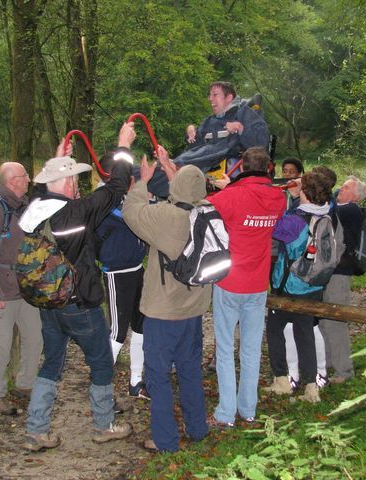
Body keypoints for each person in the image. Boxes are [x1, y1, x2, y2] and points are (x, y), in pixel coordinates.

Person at [21, 125, 135, 452]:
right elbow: (115, 188)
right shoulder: (76, 212)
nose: (77, 184)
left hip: (47, 302)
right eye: (74, 178)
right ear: (69, 183)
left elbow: (44, 189)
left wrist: (58, 159)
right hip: (79, 303)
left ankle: (36, 430)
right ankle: (104, 425)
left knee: (51, 363)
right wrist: (123, 146)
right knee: (100, 362)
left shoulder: (34, 208)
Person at [123, 148, 212, 452]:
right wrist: (173, 171)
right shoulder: (208, 213)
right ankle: (197, 429)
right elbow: (187, 193)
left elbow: (132, 213)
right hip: (194, 310)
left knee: (158, 378)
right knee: (190, 371)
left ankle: (165, 441)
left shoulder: (165, 217)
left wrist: (142, 182)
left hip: (163, 314)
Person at [207, 146, 286, 427]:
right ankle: (248, 410)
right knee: (252, 349)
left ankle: (226, 413)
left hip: (230, 282)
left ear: (241, 167)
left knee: (226, 348)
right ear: (268, 168)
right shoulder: (279, 197)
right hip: (258, 284)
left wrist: (224, 187)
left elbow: (205, 206)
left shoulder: (231, 196)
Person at [0, 162, 43, 415]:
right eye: (24, 175)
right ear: (11, 180)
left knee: (35, 339)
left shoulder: (25, 207)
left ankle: (25, 385)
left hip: (26, 289)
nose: (28, 179)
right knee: (1, 345)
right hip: (3, 291)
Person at [265, 172, 333, 403]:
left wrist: (280, 198)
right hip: (313, 286)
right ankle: (312, 387)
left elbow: (273, 227)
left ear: (305, 191)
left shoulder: (295, 221)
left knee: (274, 330)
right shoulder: (325, 214)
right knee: (305, 334)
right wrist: (297, 198)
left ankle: (282, 380)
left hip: (290, 286)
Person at [95, 149, 148, 399]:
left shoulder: (123, 196)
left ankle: (136, 382)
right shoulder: (102, 200)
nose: (131, 177)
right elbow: (130, 218)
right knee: (117, 331)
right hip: (117, 272)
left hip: (137, 268)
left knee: (140, 326)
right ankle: (100, 386)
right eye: (126, 173)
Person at [319, 175, 366, 384]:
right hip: (332, 271)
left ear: (356, 196)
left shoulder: (349, 210)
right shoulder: (343, 209)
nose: (341, 190)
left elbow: (327, 213)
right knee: (324, 319)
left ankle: (344, 371)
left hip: (339, 272)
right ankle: (329, 362)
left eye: (346, 188)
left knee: (336, 320)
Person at [186, 81, 270, 174]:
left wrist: (241, 129)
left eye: (215, 95)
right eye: (210, 95)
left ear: (229, 97)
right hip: (208, 168)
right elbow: (196, 150)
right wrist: (192, 133)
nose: (210, 99)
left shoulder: (246, 113)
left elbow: (262, 145)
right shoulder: (209, 121)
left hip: (235, 169)